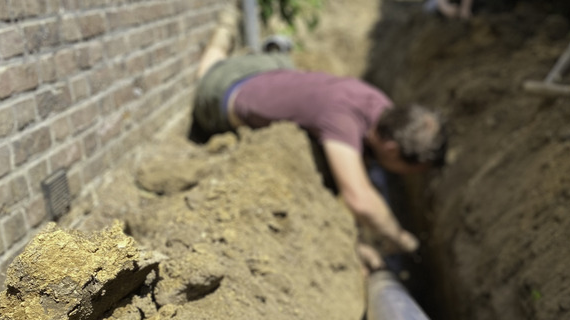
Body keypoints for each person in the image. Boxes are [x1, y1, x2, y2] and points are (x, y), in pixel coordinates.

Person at [191, 10, 448, 271]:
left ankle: (233, 48)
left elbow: (359, 170)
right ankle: (220, 42)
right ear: (392, 149)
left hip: (268, 68)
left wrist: (358, 240)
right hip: (223, 95)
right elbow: (359, 198)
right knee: (206, 77)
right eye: (410, 170)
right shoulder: (342, 121)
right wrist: (402, 240)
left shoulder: (381, 106)